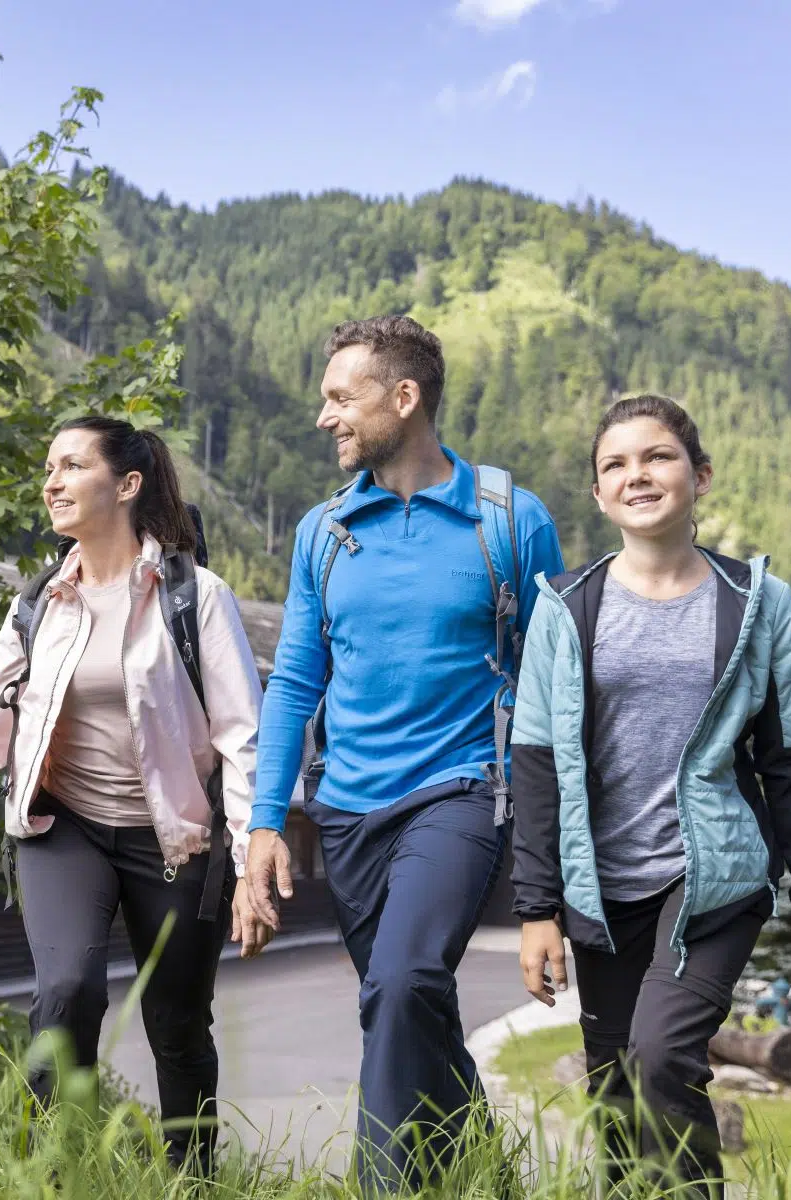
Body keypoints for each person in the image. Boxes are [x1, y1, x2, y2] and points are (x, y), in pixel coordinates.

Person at [0, 416, 264, 1175]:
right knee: (65, 990)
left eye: (71, 466)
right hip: (66, 829)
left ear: (126, 485)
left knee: (178, 1023)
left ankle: (192, 1182)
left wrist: (250, 861)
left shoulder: (195, 596)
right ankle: (50, 1175)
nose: (50, 482)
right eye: (47, 467)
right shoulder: (38, 605)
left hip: (175, 842)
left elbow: (240, 737)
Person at [242, 315, 566, 1191]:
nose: (325, 418)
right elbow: (296, 682)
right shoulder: (325, 532)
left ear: (405, 397)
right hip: (347, 810)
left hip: (463, 791)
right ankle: (483, 1175)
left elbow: (550, 692)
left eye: (342, 398)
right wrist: (266, 821)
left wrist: (553, 855)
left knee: (406, 978)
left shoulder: (508, 518)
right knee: (401, 1005)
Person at [510, 392, 791, 1193]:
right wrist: (536, 909)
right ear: (598, 494)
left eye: (657, 457)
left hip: (712, 883)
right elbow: (533, 765)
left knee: (662, 1056)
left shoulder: (758, 605)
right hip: (602, 887)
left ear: (698, 475)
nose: (638, 475)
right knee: (617, 1092)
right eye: (615, 465)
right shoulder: (566, 608)